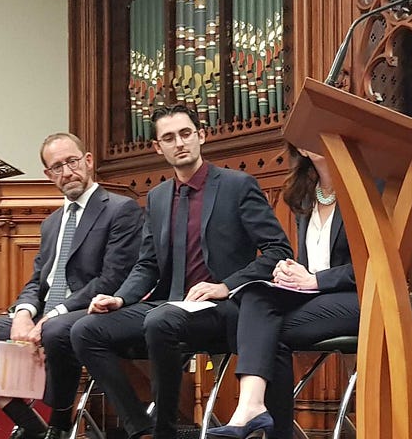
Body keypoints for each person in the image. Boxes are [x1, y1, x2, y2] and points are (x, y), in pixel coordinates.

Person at [72, 103, 292, 439]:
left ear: (201, 136)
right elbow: (147, 264)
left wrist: (225, 285)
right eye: (170, 137)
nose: (180, 142)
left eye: (186, 133)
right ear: (158, 147)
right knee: (85, 330)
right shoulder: (158, 197)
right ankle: (140, 427)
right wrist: (119, 299)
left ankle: (166, 430)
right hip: (169, 303)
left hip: (225, 307)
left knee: (161, 321)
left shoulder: (237, 185)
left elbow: (278, 252)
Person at [0, 133, 144, 439]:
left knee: (55, 329)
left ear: (87, 161)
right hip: (43, 316)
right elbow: (38, 279)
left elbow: (112, 278)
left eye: (72, 161)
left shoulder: (120, 209)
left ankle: (59, 422)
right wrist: (23, 313)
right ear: (49, 175)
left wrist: (54, 314)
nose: (67, 172)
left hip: (89, 313)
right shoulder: (51, 223)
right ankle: (30, 422)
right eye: (57, 167)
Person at [205, 146, 362, 439]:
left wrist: (315, 280)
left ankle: (257, 417)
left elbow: (378, 264)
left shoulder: (367, 185)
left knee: (267, 329)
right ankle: (252, 407)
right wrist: (290, 273)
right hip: (318, 297)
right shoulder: (305, 193)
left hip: (364, 299)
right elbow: (313, 261)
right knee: (254, 292)